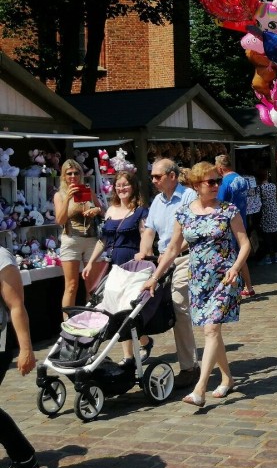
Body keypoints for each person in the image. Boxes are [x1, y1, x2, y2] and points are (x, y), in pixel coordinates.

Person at [142, 161, 251, 407]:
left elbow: (245, 244)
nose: (216, 186)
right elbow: (171, 249)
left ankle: (199, 389)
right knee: (213, 331)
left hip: (225, 277)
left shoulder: (228, 210)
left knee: (211, 330)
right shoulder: (184, 213)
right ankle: (227, 378)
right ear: (196, 185)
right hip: (199, 280)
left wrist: (235, 268)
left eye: (218, 181)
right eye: (210, 182)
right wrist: (154, 277)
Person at [135, 159, 200, 389]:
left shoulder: (189, 197)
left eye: (157, 176)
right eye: (152, 176)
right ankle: (135, 354)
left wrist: (171, 253)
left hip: (184, 257)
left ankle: (189, 367)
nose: (153, 181)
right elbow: (149, 230)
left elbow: (190, 234)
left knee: (179, 305)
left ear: (172, 176)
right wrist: (143, 252)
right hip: (161, 259)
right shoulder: (157, 202)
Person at [82, 171, 152, 366]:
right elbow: (103, 240)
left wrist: (144, 255)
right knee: (115, 309)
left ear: (133, 187)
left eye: (125, 185)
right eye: (118, 185)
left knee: (127, 310)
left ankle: (138, 347)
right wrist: (90, 262)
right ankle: (130, 354)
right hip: (114, 265)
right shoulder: (111, 210)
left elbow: (145, 237)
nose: (121, 189)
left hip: (132, 263)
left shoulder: (140, 211)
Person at [0, 248, 39, 468]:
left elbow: (16, 305)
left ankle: (24, 458)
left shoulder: (1, 257)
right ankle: (24, 457)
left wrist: (26, 350)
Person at [55, 159, 105, 309]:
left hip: (91, 240)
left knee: (92, 285)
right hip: (71, 240)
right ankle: (66, 323)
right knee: (71, 285)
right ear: (63, 176)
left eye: (76, 173)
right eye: (69, 173)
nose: (73, 176)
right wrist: (68, 198)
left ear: (81, 175)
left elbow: (102, 211)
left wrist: (96, 210)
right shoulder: (60, 195)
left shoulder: (88, 191)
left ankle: (92, 320)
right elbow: (60, 220)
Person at [215, 154, 255, 299]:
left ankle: (232, 289)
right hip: (241, 218)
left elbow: (218, 203)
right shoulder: (242, 180)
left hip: (229, 222)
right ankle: (248, 286)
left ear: (220, 168)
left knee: (230, 256)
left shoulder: (225, 183)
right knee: (240, 256)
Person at [256, 169, 277, 264]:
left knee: (267, 237)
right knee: (274, 236)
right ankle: (276, 256)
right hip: (274, 212)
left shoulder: (259, 188)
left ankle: (268, 257)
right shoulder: (273, 186)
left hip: (266, 213)